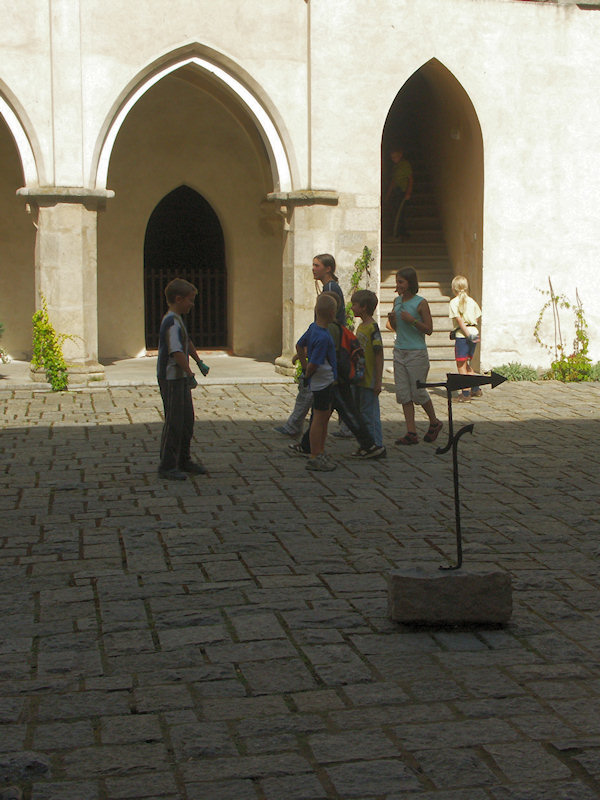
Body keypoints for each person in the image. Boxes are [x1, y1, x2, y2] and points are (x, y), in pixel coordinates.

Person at [290, 291, 386, 460]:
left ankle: (369, 445)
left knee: (344, 413)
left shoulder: (328, 329)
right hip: (333, 380)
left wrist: (307, 370)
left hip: (335, 381)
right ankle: (309, 445)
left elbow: (320, 353)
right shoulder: (330, 328)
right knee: (325, 414)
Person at [273, 253, 346, 437]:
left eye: (317, 265)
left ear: (328, 268)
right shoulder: (329, 287)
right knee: (330, 392)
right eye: (313, 265)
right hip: (326, 345)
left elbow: (331, 321)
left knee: (310, 387)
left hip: (325, 346)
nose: (313, 269)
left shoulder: (331, 289)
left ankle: (294, 426)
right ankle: (347, 427)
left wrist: (311, 348)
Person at [157, 278, 207, 481]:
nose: (191, 304)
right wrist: (189, 372)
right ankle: (167, 465)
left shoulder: (177, 320)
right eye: (190, 300)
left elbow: (187, 343)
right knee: (174, 421)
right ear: (178, 299)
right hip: (172, 378)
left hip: (180, 378)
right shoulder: (171, 322)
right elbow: (176, 351)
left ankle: (183, 460)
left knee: (186, 420)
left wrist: (198, 361)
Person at [386, 266, 443, 446]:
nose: (398, 285)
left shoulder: (421, 303)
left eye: (401, 282)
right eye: (397, 282)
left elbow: (429, 329)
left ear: (410, 283)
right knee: (403, 393)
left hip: (416, 353)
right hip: (399, 350)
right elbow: (396, 327)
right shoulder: (397, 301)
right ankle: (411, 432)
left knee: (418, 391)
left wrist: (413, 321)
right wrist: (393, 320)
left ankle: (434, 421)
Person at [294, 293, 338, 472]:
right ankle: (314, 455)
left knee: (323, 417)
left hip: (321, 382)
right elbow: (315, 363)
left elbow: (299, 345)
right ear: (333, 314)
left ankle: (320, 451)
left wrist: (303, 364)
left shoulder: (313, 328)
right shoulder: (324, 337)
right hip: (323, 383)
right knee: (319, 419)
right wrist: (307, 371)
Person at [351, 289, 385, 453]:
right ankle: (368, 443)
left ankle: (375, 444)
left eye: (355, 304)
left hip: (369, 378)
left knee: (369, 414)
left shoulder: (372, 328)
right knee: (363, 413)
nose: (352, 307)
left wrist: (378, 380)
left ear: (363, 307)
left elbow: (379, 354)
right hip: (361, 377)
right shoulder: (361, 327)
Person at [449, 275, 482, 402]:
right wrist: (471, 332)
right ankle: (475, 388)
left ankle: (465, 393)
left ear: (454, 288)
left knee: (461, 365)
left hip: (463, 336)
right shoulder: (472, 301)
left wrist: (467, 334)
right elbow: (477, 317)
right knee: (466, 363)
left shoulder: (454, 302)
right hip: (474, 332)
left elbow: (459, 320)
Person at [384, 148, 413, 240]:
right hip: (396, 192)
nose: (394, 159)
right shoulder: (395, 166)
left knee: (399, 213)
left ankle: (400, 233)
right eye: (392, 157)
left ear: (400, 155)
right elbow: (393, 181)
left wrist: (408, 192)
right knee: (395, 213)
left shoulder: (405, 165)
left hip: (402, 191)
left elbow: (410, 179)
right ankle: (397, 232)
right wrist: (388, 195)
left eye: (395, 156)